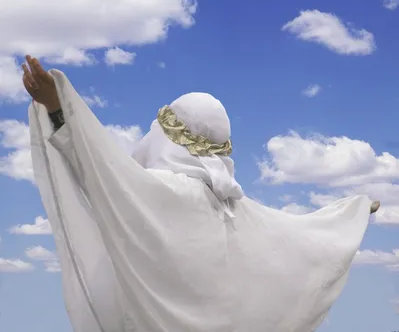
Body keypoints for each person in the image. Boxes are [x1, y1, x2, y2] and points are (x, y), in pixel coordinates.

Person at [24, 55, 379, 332]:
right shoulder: (237, 209)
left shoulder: (167, 192)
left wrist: (58, 109)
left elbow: (101, 171)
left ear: (167, 134)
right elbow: (304, 235)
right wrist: (355, 213)